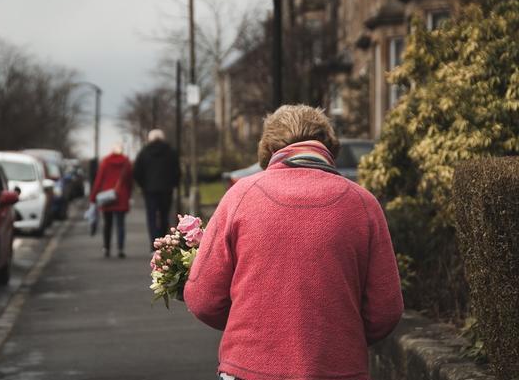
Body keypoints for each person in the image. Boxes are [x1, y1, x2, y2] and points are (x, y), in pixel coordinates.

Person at [184, 105, 403, 380]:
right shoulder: (363, 203)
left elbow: (203, 299)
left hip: (249, 367)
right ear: (328, 146)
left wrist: (249, 321)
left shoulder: (240, 197)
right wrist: (341, 339)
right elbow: (386, 310)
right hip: (339, 369)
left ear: (269, 148)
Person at [133, 129, 180, 250]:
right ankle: (163, 242)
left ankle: (154, 244)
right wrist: (173, 184)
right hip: (166, 189)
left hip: (150, 190)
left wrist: (143, 185)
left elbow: (137, 172)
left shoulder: (144, 152)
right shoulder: (171, 151)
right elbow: (177, 171)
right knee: (164, 215)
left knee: (151, 216)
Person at [90, 144, 132, 258]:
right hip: (121, 196)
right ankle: (120, 248)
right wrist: (128, 195)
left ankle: (106, 248)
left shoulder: (105, 161)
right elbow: (129, 181)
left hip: (107, 196)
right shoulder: (126, 162)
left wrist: (93, 197)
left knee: (107, 224)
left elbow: (99, 180)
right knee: (120, 224)